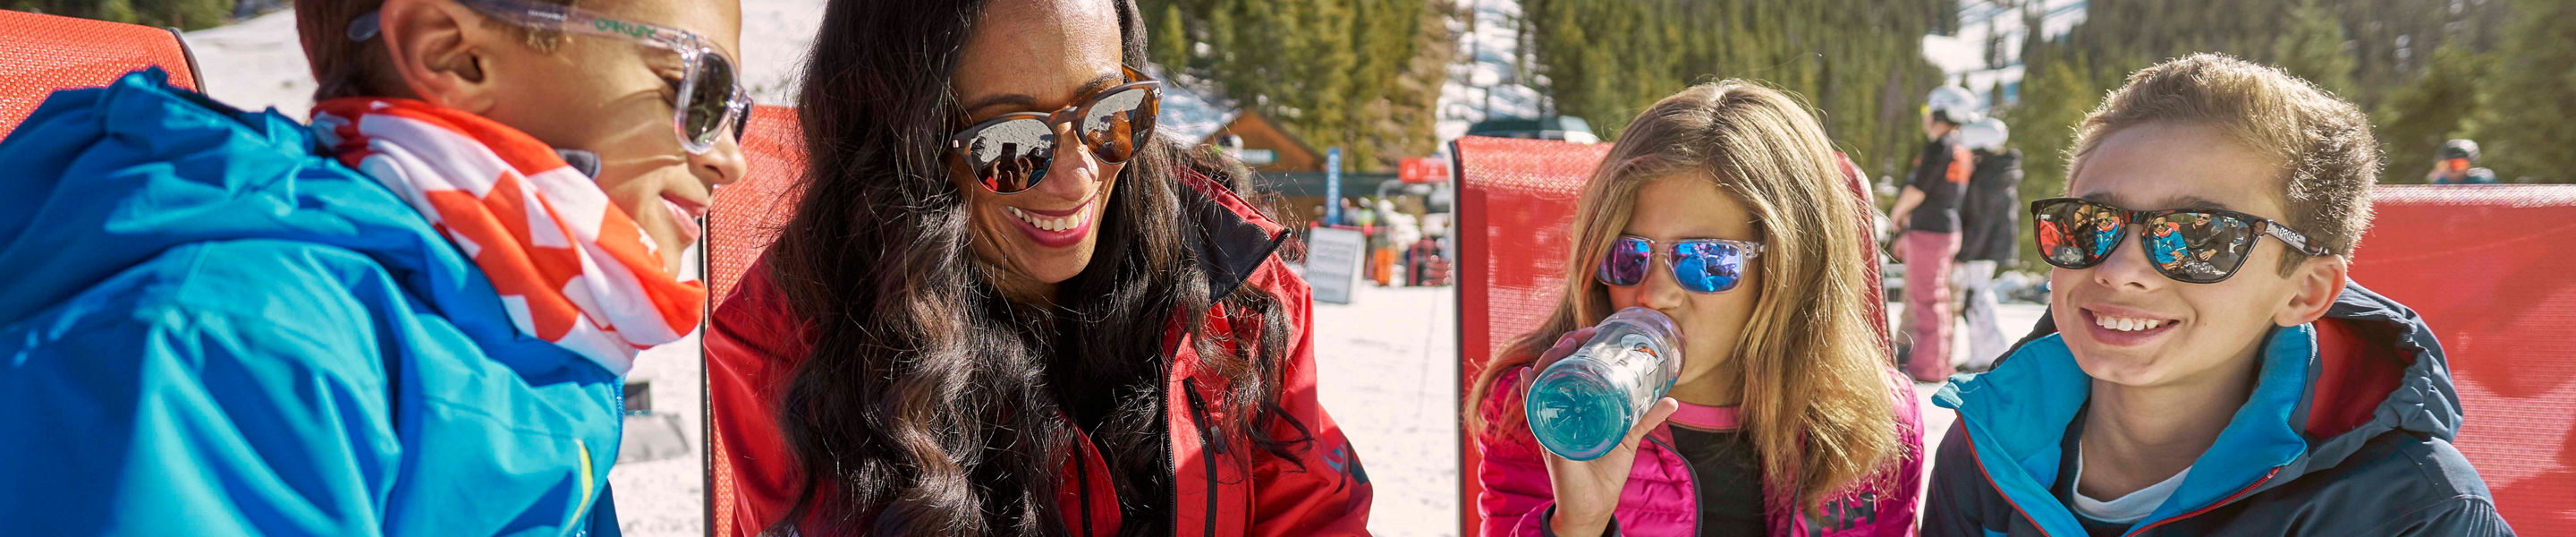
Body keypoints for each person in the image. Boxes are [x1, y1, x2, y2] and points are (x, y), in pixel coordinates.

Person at [0, 0, 745, 534]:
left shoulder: (525, 334)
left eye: (735, 113)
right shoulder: (238, 350)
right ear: (451, 53)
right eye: (699, 89)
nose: (729, 159)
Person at [701, 0, 1371, 535]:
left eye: (1111, 113)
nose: (1079, 176)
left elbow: (1316, 516)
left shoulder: (1234, 282)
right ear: (907, 147)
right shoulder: (792, 343)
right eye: (1010, 142)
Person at [1922, 54, 2512, 536]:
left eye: (2198, 238)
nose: (2120, 270)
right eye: (2089, 224)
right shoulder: (1988, 446)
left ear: (2306, 291)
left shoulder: (2412, 510)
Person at [1468, 81, 1923, 537]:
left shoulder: (1872, 423)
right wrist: (1577, 526)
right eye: (1626, 255)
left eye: (1706, 260)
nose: (1655, 294)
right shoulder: (1553, 411)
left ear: (1792, 270)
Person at [1889, 85, 1980, 382]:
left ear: (1941, 112)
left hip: (1930, 230)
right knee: (1934, 298)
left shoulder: (1940, 146)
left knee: (1926, 300)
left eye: (1927, 110)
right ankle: (1935, 361)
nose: (1925, 117)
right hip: (1944, 230)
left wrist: (1896, 215)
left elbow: (1918, 189)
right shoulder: (1960, 149)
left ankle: (1927, 366)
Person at [1953, 118, 2021, 372]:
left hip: (1982, 246)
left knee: (1977, 296)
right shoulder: (1997, 170)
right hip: (1987, 244)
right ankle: (1981, 353)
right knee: (1976, 296)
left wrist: (1965, 252)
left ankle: (1990, 354)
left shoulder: (1987, 175)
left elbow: (1980, 218)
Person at [2427, 138, 2499, 184]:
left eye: (2458, 165)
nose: (2451, 169)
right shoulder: (2441, 182)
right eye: (2445, 165)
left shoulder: (2482, 181)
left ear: (2470, 165)